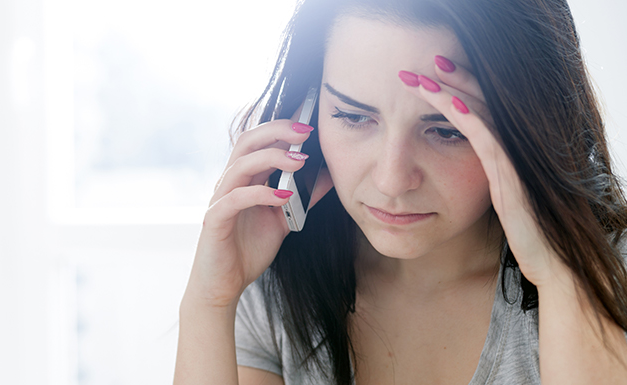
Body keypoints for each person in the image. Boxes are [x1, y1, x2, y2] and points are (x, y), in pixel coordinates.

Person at [174, 0, 627, 383]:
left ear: (527, 126)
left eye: (446, 130)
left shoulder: (612, 273)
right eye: (352, 117)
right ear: (310, 113)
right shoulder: (276, 280)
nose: (391, 180)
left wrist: (563, 276)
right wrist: (209, 302)